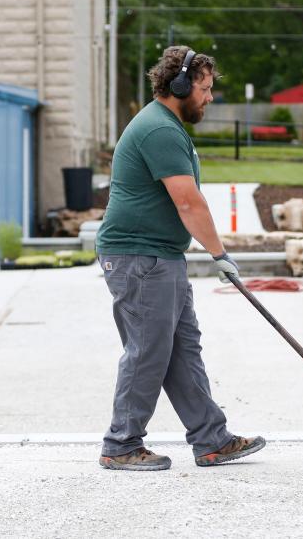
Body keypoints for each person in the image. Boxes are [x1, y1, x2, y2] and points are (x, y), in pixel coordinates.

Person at [94, 45, 265, 471]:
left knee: (182, 350)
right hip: (139, 257)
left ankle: (211, 438)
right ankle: (121, 445)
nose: (209, 97)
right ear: (181, 86)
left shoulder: (166, 127)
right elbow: (189, 203)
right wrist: (219, 254)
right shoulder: (160, 130)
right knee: (148, 352)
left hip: (159, 256)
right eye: (204, 89)